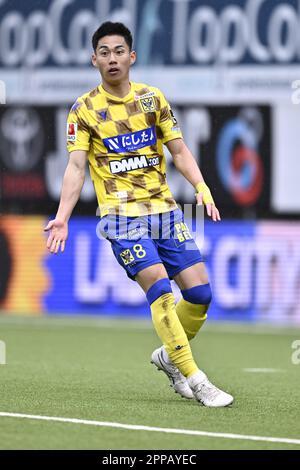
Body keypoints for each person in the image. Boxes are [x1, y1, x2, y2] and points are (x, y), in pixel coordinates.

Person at [45, 21, 233, 407]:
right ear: (93, 59)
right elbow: (76, 168)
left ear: (132, 56)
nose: (112, 59)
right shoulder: (84, 109)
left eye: (119, 51)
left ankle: (168, 357)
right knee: (160, 288)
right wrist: (62, 215)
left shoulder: (153, 99)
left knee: (200, 294)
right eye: (104, 52)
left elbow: (179, 151)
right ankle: (195, 378)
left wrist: (202, 188)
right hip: (120, 217)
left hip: (165, 211)